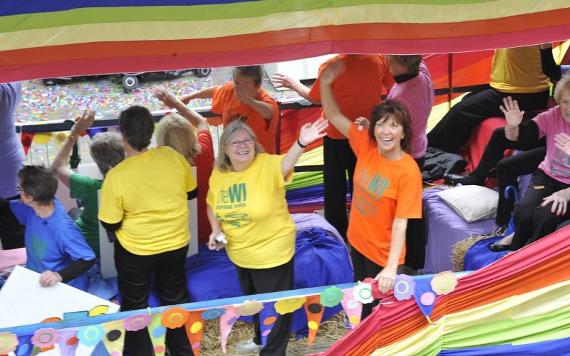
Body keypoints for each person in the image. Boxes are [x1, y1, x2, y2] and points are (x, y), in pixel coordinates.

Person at [206, 118, 328, 355]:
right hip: (240, 253)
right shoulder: (219, 175)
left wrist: (301, 143)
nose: (242, 146)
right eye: (234, 142)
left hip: (272, 253)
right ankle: (259, 339)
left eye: (247, 140)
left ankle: (273, 351)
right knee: (252, 303)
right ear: (225, 150)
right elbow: (211, 204)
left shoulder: (267, 165)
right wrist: (216, 230)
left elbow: (286, 163)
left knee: (277, 308)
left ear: (255, 143)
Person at [319, 62, 422, 319]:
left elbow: (401, 224)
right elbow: (333, 115)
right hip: (358, 244)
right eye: (381, 125)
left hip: (382, 257)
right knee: (361, 305)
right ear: (373, 129)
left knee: (378, 316)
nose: (386, 131)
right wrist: (325, 83)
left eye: (394, 126)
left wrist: (390, 268)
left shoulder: (408, 171)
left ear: (403, 133)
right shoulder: (366, 146)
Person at [98, 106, 197, 355]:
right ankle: (182, 351)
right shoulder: (172, 157)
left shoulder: (116, 176)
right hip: (176, 244)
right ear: (152, 131)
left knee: (135, 306)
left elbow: (109, 223)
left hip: (135, 250)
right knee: (174, 300)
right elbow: (191, 192)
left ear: (123, 136)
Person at [273, 54, 394, 240]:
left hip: (337, 135)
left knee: (334, 187)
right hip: (366, 134)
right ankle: (364, 227)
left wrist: (293, 84)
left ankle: (337, 232)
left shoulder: (331, 65)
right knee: (364, 185)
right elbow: (391, 87)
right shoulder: (378, 59)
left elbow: (315, 97)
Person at [490, 75, 570, 251]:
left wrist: (566, 193)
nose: (568, 108)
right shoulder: (553, 115)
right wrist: (513, 126)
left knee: (546, 215)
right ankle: (515, 252)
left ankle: (529, 258)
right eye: (565, 101)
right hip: (548, 177)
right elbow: (524, 136)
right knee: (523, 211)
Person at [428, 44, 554, 153]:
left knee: (462, 110)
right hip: (513, 89)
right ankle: (438, 145)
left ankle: (430, 149)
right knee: (467, 100)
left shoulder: (522, 26)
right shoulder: (513, 23)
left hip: (525, 94)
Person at [0, 166, 96, 290]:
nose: (19, 194)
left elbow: (87, 259)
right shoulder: (35, 206)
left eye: (20, 189)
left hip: (58, 286)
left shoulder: (61, 227)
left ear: (29, 198)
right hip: (35, 275)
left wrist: (59, 276)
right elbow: (6, 208)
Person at [52, 110, 125, 257]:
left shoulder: (90, 187)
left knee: (72, 212)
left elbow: (57, 166)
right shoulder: (137, 184)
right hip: (124, 250)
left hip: (87, 251)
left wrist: (76, 131)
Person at [385, 55, 434, 271]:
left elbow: (395, 136)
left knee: (405, 212)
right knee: (411, 208)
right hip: (418, 152)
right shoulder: (422, 74)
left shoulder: (400, 98)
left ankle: (411, 263)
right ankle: (414, 260)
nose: (387, 63)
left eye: (390, 60)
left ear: (401, 63)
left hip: (405, 158)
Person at [154, 88, 215, 244]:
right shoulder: (205, 153)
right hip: (208, 231)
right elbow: (201, 121)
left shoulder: (156, 166)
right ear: (190, 134)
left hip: (176, 238)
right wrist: (175, 103)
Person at [180, 65, 279, 153]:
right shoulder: (231, 89)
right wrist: (190, 97)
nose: (239, 88)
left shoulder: (265, 100)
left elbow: (269, 112)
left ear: (258, 85)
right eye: (237, 82)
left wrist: (249, 101)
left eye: (246, 84)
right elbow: (214, 91)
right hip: (233, 156)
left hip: (260, 160)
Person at [0, 82, 25, 250]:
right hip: (10, 177)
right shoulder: (5, 92)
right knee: (16, 239)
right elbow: (17, 73)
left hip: (10, 177)